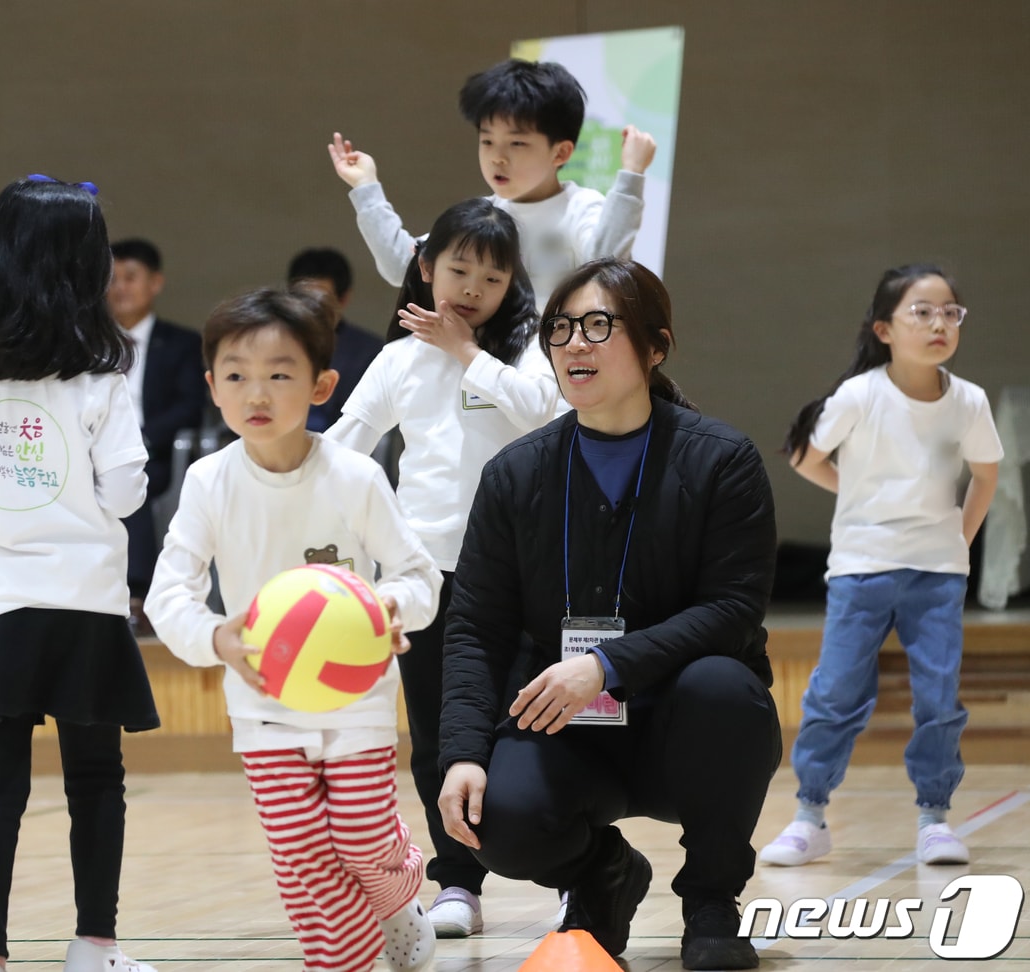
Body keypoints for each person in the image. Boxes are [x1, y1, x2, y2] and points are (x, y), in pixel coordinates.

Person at [437, 258, 782, 970]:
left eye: (598, 325)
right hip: (569, 729)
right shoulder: (516, 473)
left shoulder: (721, 460)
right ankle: (602, 872)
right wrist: (464, 752)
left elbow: (733, 608)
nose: (573, 344)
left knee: (723, 687)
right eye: (559, 328)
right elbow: (476, 625)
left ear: (655, 347)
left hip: (682, 724)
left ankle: (712, 901)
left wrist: (607, 665)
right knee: (497, 815)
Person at [145, 287, 441, 972]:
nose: (258, 391)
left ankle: (399, 891)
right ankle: (344, 963)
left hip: (355, 700)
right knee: (301, 852)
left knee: (363, 841)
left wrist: (386, 609)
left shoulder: (356, 475)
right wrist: (217, 638)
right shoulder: (209, 482)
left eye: (280, 373)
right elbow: (170, 594)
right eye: (238, 374)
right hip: (264, 706)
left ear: (321, 385)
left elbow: (418, 578)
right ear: (212, 384)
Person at [0, 176, 159, 972]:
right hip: (84, 605)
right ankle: (95, 945)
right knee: (95, 780)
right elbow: (125, 493)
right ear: (83, 270)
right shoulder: (100, 377)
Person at [325, 197, 566, 938]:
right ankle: (459, 881)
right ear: (426, 269)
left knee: (535, 727)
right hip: (426, 575)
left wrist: (467, 351)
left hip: (521, 574)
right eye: (457, 269)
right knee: (436, 736)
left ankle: (571, 876)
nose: (470, 288)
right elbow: (346, 445)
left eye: (489, 278)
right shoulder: (397, 359)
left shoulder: (525, 349)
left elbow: (547, 415)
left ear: (510, 285)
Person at [759, 265, 1002, 869]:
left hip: (936, 574)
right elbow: (804, 456)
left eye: (950, 312)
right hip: (861, 570)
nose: (939, 323)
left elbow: (986, 477)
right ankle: (810, 815)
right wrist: (857, 495)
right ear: (885, 328)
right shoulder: (861, 394)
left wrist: (958, 546)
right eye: (922, 312)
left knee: (938, 698)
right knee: (836, 693)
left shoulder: (967, 400)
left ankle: (934, 818)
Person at [328, 58, 656, 313]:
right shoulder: (482, 218)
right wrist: (366, 188)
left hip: (560, 384)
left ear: (561, 152)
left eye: (516, 144)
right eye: (487, 141)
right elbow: (403, 267)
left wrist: (631, 174)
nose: (497, 157)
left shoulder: (582, 208)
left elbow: (606, 264)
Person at [106, 239, 205, 631]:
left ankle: (137, 594)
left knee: (131, 478)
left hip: (154, 453)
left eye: (131, 277)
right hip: (92, 449)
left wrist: (140, 439)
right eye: (112, 278)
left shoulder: (180, 343)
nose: (120, 287)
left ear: (155, 283)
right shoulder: (86, 340)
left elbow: (190, 405)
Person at [286, 247, 383, 431]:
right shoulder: (270, 344)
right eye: (302, 298)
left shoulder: (370, 352)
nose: (310, 309)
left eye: (321, 302)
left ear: (343, 299)